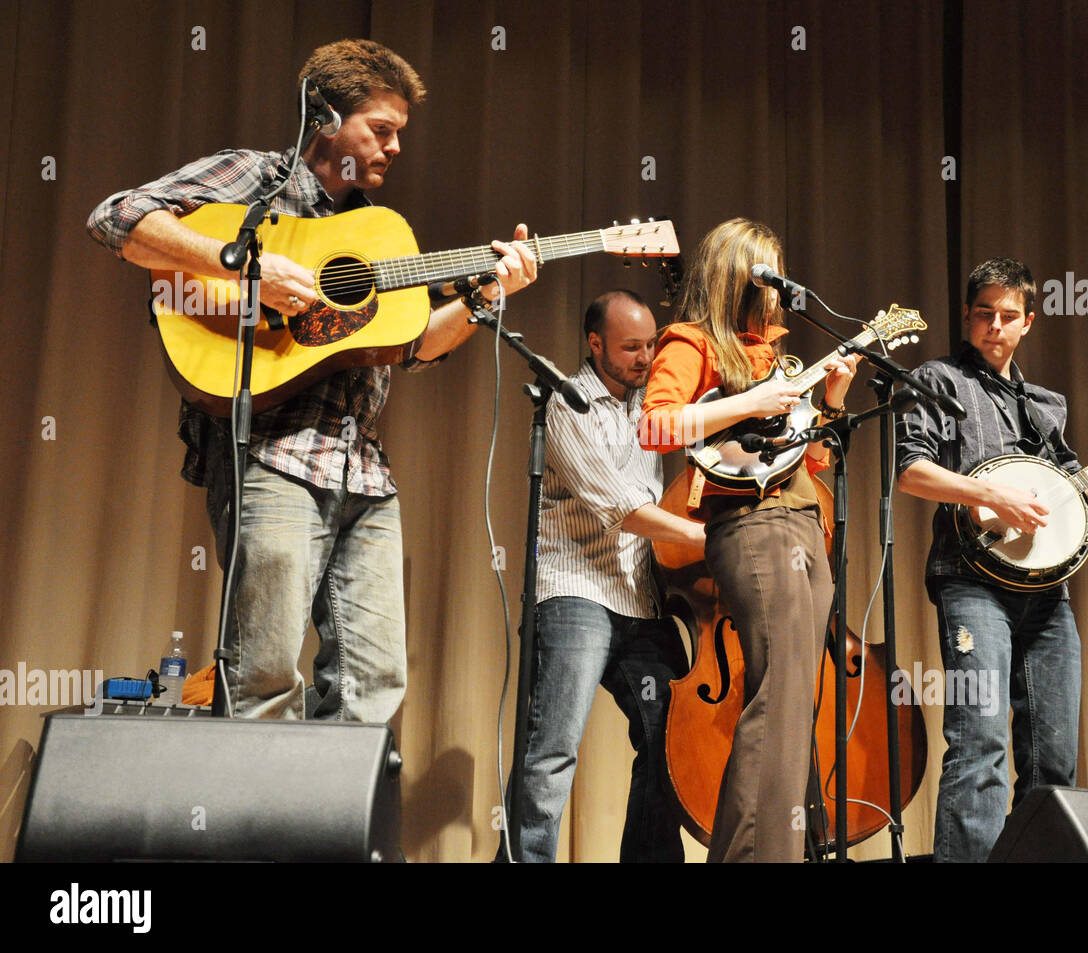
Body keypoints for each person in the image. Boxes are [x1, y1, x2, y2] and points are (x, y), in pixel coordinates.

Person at [86, 39, 538, 722]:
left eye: (398, 135)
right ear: (326, 118)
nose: (392, 148)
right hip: (273, 458)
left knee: (374, 685)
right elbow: (116, 216)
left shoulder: (373, 232)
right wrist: (241, 265)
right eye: (380, 130)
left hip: (364, 474)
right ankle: (258, 830)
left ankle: (332, 830)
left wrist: (485, 298)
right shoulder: (258, 177)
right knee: (265, 675)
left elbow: (411, 346)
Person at [895, 257, 1088, 862]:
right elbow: (910, 470)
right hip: (970, 582)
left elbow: (1078, 496)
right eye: (985, 315)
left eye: (1009, 316)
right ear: (968, 316)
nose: (995, 327)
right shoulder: (936, 380)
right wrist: (991, 494)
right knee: (979, 740)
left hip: (1047, 594)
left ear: (1028, 322)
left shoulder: (1045, 405)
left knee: (1054, 755)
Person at [639, 218, 861, 862]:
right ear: (736, 278)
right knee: (778, 699)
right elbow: (656, 429)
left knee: (796, 702)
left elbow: (810, 460)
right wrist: (749, 402)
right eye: (766, 275)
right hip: (753, 529)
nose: (777, 292)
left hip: (801, 526)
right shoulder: (692, 342)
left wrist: (834, 403)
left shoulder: (774, 356)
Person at [505, 289, 705, 863]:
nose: (646, 358)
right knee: (553, 748)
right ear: (596, 345)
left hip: (641, 599)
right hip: (576, 592)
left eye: (651, 345)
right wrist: (698, 537)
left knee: (669, 739)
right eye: (631, 348)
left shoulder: (652, 404)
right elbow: (617, 505)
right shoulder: (568, 404)